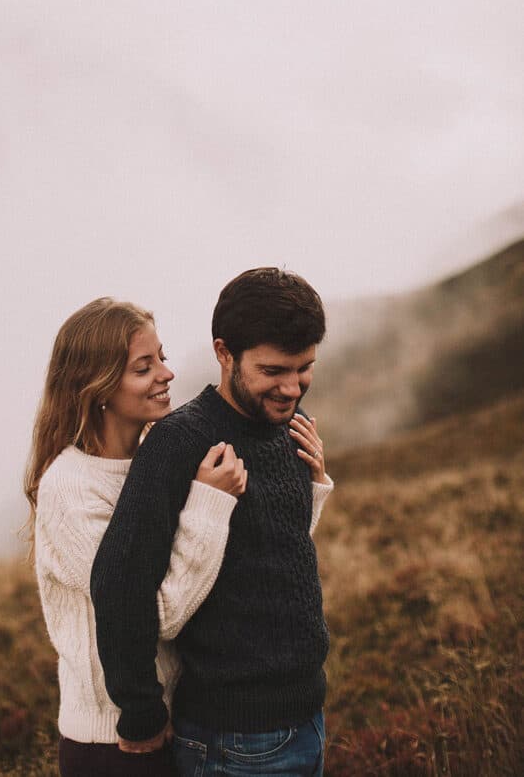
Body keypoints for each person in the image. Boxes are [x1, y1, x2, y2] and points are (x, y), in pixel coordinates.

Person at [91, 268, 334, 777]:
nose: (292, 388)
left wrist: (316, 485)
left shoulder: (288, 423)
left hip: (307, 720)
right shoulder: (179, 442)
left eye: (304, 368)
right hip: (229, 744)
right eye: (273, 371)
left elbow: (272, 552)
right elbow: (119, 582)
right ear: (224, 353)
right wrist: (140, 713)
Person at [24, 297, 248, 777]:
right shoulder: (70, 487)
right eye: (143, 368)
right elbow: (153, 615)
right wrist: (209, 504)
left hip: (180, 724)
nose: (167, 374)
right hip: (115, 744)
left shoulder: (153, 460)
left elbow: (225, 576)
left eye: (162, 358)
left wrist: (307, 489)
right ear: (98, 386)